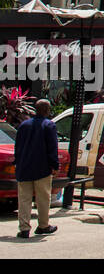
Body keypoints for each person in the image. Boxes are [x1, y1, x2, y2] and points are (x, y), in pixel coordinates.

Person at [15, 99, 60, 239]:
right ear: (47, 110)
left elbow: (18, 147)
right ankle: (43, 226)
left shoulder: (23, 125)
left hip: (24, 167)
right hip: (42, 168)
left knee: (24, 199)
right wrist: (55, 165)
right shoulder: (49, 125)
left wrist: (17, 163)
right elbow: (52, 148)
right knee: (43, 198)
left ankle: (24, 229)